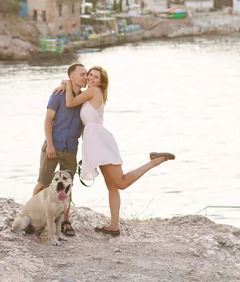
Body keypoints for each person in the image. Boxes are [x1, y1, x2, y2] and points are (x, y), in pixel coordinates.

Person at [64, 65, 175, 236]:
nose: (90, 79)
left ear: (101, 83)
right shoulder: (91, 93)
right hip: (96, 140)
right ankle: (114, 226)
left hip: (99, 141)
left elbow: (70, 102)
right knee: (112, 186)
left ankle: (156, 161)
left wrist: (66, 84)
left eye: (95, 77)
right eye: (89, 75)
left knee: (120, 183)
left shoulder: (93, 91)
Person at [33, 62, 87, 237]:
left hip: (71, 149)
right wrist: (49, 145)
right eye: (82, 74)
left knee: (68, 187)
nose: (85, 77)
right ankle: (33, 215)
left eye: (86, 74)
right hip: (53, 146)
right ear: (72, 77)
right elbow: (48, 120)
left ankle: (65, 221)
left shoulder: (84, 99)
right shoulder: (58, 95)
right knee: (43, 183)